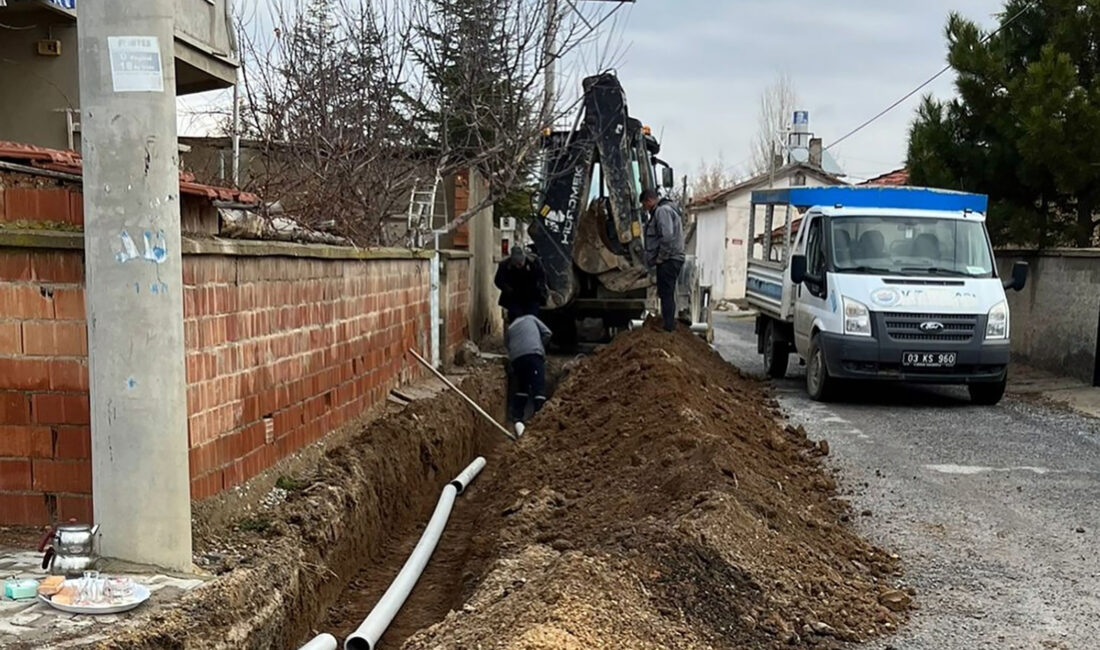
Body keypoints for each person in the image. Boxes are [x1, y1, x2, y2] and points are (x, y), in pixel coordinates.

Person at [641, 188, 685, 332]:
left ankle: (668, 327)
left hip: (669, 259)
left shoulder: (662, 211)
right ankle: (668, 323)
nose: (645, 209)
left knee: (666, 294)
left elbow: (667, 237)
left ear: (649, 201)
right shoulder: (667, 209)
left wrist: (661, 258)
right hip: (671, 258)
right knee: (666, 293)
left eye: (644, 204)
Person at [505, 313, 552, 435]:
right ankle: (539, 418)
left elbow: (508, 346)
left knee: (522, 386)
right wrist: (540, 346)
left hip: (517, 359)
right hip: (533, 354)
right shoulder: (532, 319)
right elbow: (548, 333)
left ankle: (517, 416)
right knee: (538, 387)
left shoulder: (510, 328)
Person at [495, 245, 547, 323]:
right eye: (516, 264)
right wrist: (508, 289)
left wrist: (540, 288)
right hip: (514, 297)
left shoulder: (534, 262)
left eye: (520, 263)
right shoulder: (505, 265)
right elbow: (498, 280)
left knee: (532, 318)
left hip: (532, 295)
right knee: (516, 318)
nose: (519, 266)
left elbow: (542, 276)